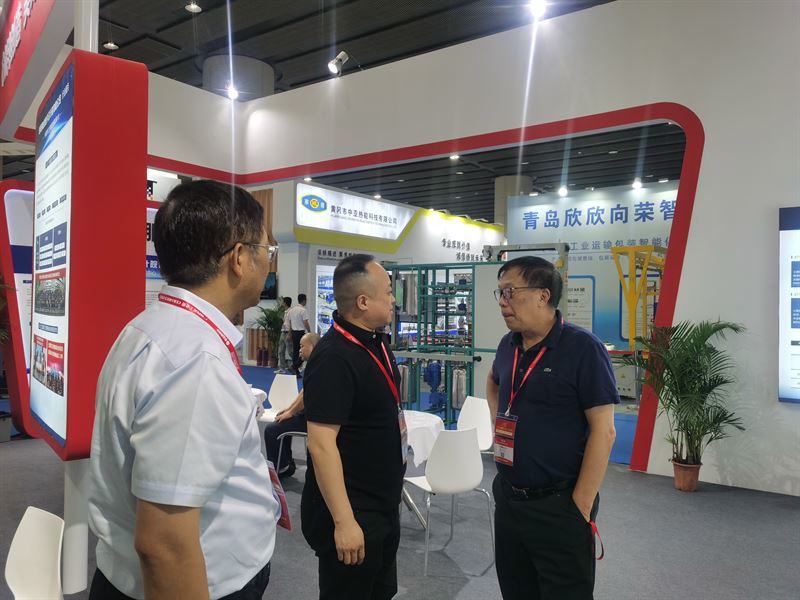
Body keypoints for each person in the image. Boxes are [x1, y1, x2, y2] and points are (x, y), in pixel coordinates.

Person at [88, 180, 280, 600]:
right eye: (267, 249)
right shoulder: (196, 360)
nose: (269, 262)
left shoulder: (150, 327)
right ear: (239, 258)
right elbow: (165, 544)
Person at [488, 256, 618, 600]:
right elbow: (493, 381)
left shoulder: (583, 348)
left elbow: (604, 431)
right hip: (509, 500)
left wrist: (580, 505)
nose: (502, 302)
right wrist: (496, 421)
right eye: (500, 293)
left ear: (543, 295)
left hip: (559, 504)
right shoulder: (508, 345)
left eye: (510, 292)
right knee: (516, 590)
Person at [301, 254, 406, 600]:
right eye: (387, 292)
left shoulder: (375, 342)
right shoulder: (334, 356)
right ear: (363, 301)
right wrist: (345, 522)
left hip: (382, 505)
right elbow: (321, 445)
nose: (393, 299)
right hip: (353, 512)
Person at [265, 331, 321, 478]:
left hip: (314, 418)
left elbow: (306, 397)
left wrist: (290, 413)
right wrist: (289, 410)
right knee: (283, 421)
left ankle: (282, 467)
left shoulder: (319, 365)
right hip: (308, 414)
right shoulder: (314, 364)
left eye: (303, 346)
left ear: (313, 346)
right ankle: (286, 464)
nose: (299, 350)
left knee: (271, 430)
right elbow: (303, 393)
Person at [286, 293, 311, 375]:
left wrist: (289, 334)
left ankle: (295, 372)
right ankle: (294, 366)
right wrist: (309, 332)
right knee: (303, 352)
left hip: (294, 333)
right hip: (300, 333)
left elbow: (290, 323)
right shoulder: (303, 310)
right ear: (304, 301)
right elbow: (305, 322)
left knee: (295, 352)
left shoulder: (292, 310)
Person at [277, 296, 293, 373]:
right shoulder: (285, 312)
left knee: (290, 351)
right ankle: (282, 368)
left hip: (287, 333)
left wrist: (289, 334)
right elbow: (285, 322)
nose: (282, 303)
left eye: (283, 302)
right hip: (283, 332)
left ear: (285, 303)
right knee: (280, 351)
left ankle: (297, 365)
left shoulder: (291, 312)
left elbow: (292, 323)